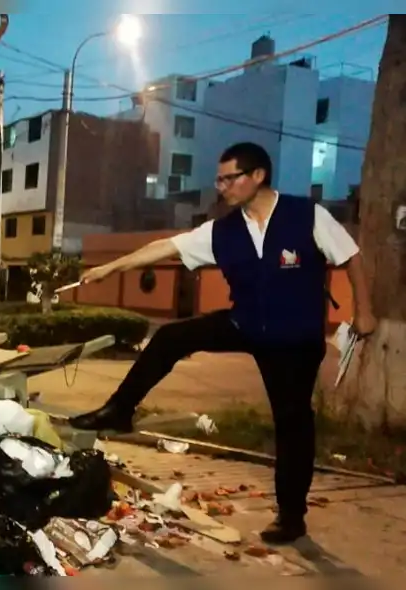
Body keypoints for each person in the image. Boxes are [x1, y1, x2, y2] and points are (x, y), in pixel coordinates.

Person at [70, 141, 375, 545]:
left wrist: (364, 312)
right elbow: (166, 247)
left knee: (293, 422)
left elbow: (350, 257)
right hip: (244, 323)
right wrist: (110, 268)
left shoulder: (306, 215)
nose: (222, 187)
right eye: (219, 180)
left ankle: (291, 517)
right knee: (171, 336)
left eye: (229, 179)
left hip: (294, 337)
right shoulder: (222, 230)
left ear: (257, 176)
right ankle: (119, 409)